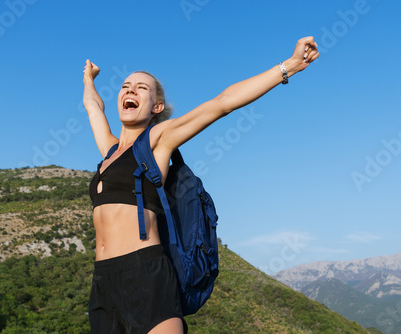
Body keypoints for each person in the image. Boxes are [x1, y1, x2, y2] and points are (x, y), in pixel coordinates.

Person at [83, 36, 319, 334]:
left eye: (141, 87)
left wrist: (290, 66)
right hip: (103, 283)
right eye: (125, 86)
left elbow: (221, 105)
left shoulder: (158, 142)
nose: (130, 89)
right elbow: (93, 107)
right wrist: (88, 78)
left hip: (145, 273)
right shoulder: (109, 152)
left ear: (156, 106)